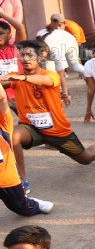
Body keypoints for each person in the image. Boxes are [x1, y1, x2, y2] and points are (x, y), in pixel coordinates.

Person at [4, 40, 95, 171]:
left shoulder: (50, 75)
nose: (25, 59)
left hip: (57, 131)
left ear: (39, 57)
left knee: (86, 158)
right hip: (31, 128)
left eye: (30, 55)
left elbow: (44, 81)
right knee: (13, 135)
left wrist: (23, 78)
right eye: (23, 55)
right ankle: (21, 180)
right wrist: (15, 79)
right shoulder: (15, 77)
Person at [0, 81, 52, 216]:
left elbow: (2, 98)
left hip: (5, 179)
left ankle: (33, 203)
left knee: (23, 208)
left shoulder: (3, 124)